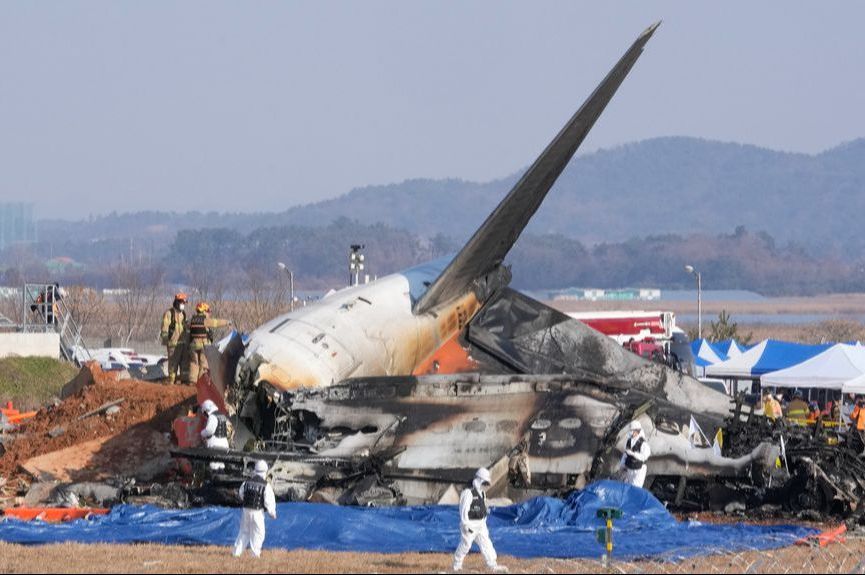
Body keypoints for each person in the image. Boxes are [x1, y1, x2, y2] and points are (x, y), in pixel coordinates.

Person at [452, 468, 507, 573]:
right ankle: (457, 565)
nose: (485, 485)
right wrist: (465, 524)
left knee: (486, 543)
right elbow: (463, 509)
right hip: (470, 524)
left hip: (481, 524)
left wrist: (484, 518)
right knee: (466, 545)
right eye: (484, 482)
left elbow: (483, 506)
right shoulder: (468, 493)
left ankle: (492, 564)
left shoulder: (482, 493)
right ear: (478, 480)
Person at [233, 460, 277, 558]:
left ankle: (236, 553)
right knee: (258, 533)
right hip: (257, 512)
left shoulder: (246, 483)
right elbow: (269, 501)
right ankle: (254, 554)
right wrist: (272, 513)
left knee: (244, 532)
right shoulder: (266, 485)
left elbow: (241, 495)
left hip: (245, 510)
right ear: (265, 471)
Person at [185, 302, 231, 385]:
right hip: (203, 345)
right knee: (204, 364)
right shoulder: (205, 321)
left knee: (194, 363)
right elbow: (216, 322)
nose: (209, 313)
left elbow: (187, 328)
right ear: (203, 311)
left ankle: (192, 381)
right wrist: (227, 322)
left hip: (193, 346)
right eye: (207, 311)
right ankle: (201, 382)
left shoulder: (191, 320)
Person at [160, 293, 188, 385]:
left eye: (184, 303)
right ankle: (171, 382)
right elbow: (164, 328)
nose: (183, 305)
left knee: (184, 364)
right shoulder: (169, 313)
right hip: (173, 344)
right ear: (177, 302)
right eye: (182, 302)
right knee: (173, 364)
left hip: (183, 344)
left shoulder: (183, 314)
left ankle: (184, 381)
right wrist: (165, 340)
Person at [618, 420, 651, 488]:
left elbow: (644, 457)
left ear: (637, 431)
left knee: (635, 488)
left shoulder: (643, 444)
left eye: (632, 430)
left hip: (638, 470)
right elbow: (625, 454)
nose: (631, 432)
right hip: (630, 468)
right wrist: (622, 465)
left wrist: (633, 454)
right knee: (625, 485)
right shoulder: (629, 441)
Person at [200, 399, 231, 470]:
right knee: (221, 465)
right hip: (224, 443)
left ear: (206, 410)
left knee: (214, 466)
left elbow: (209, 430)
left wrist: (202, 433)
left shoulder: (212, 417)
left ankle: (215, 479)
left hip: (216, 444)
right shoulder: (221, 415)